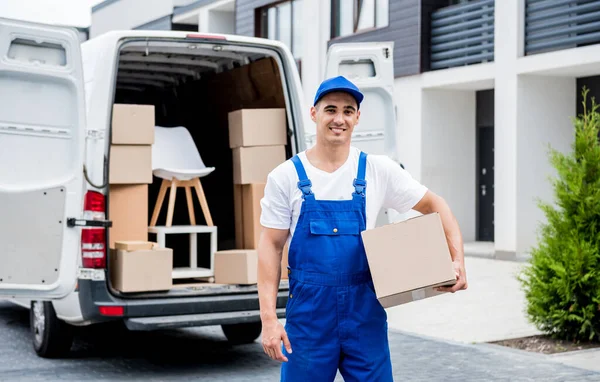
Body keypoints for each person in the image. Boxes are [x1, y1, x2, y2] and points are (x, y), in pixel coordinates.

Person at [257, 75, 468, 381]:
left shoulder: (376, 170)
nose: (338, 118)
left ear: (357, 117)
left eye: (347, 110)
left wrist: (456, 259)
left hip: (363, 312)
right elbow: (271, 246)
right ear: (314, 114)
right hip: (309, 316)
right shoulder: (286, 176)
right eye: (330, 109)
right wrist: (268, 319)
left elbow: (436, 205)